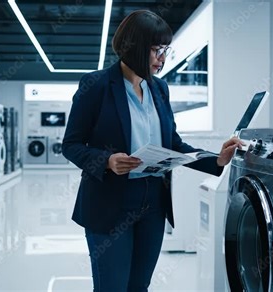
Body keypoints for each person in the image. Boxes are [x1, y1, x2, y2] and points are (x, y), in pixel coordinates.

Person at [62, 10, 244, 292]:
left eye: (165, 50)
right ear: (134, 47)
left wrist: (216, 160)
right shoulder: (96, 85)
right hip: (111, 204)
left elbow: (174, 144)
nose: (162, 58)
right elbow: (71, 144)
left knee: (139, 286)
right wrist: (107, 160)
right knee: (112, 287)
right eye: (156, 50)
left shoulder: (159, 88)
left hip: (153, 204)